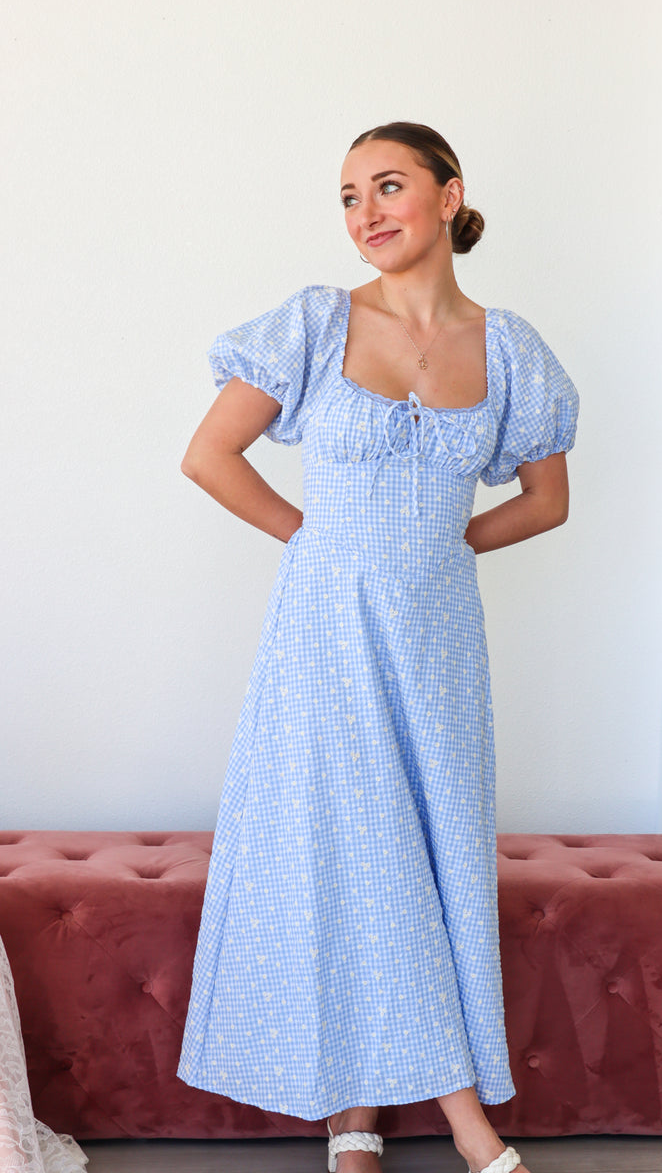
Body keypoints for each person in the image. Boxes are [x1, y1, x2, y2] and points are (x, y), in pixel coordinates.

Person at [177, 121, 578, 1173]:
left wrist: (442, 546)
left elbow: (544, 502)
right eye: (348, 196)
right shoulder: (313, 323)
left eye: (387, 187)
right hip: (324, 628)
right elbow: (208, 455)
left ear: (450, 197)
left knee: (430, 848)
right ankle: (450, 1122)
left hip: (440, 635)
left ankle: (354, 1116)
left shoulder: (510, 347)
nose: (364, 214)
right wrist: (320, 544)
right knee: (353, 847)